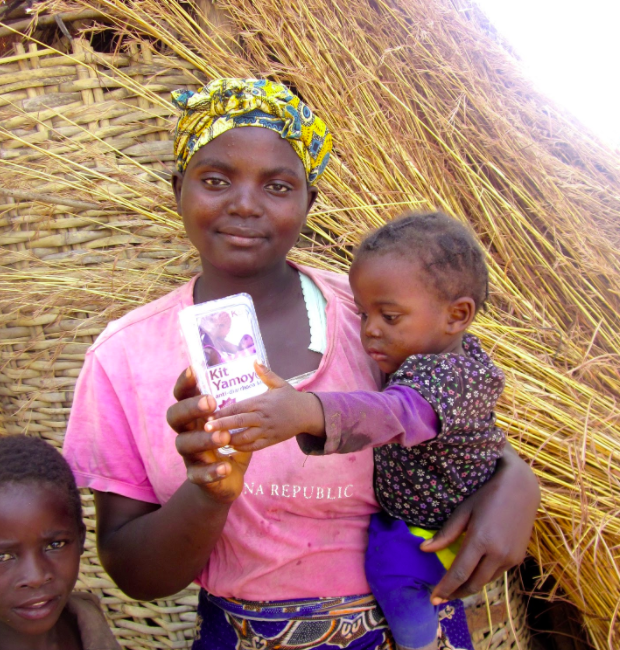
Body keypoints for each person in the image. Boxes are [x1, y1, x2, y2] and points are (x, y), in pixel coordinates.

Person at [63, 78, 540, 650]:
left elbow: (452, 411)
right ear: (177, 190)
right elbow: (136, 574)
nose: (244, 203)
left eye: (278, 186)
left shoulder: (377, 316)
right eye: (215, 180)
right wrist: (210, 493)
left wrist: (517, 483)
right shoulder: (123, 358)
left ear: (308, 203)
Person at [207, 213, 507, 650]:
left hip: (434, 529)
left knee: (391, 571)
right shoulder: (446, 354)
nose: (370, 331)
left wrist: (309, 411)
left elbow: (393, 414)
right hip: (414, 515)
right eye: (364, 314)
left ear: (457, 315)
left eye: (389, 316)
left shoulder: (449, 379)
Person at [0, 434, 120, 650]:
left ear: (81, 537)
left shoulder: (87, 624)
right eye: (4, 557)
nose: (36, 577)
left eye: (55, 545)